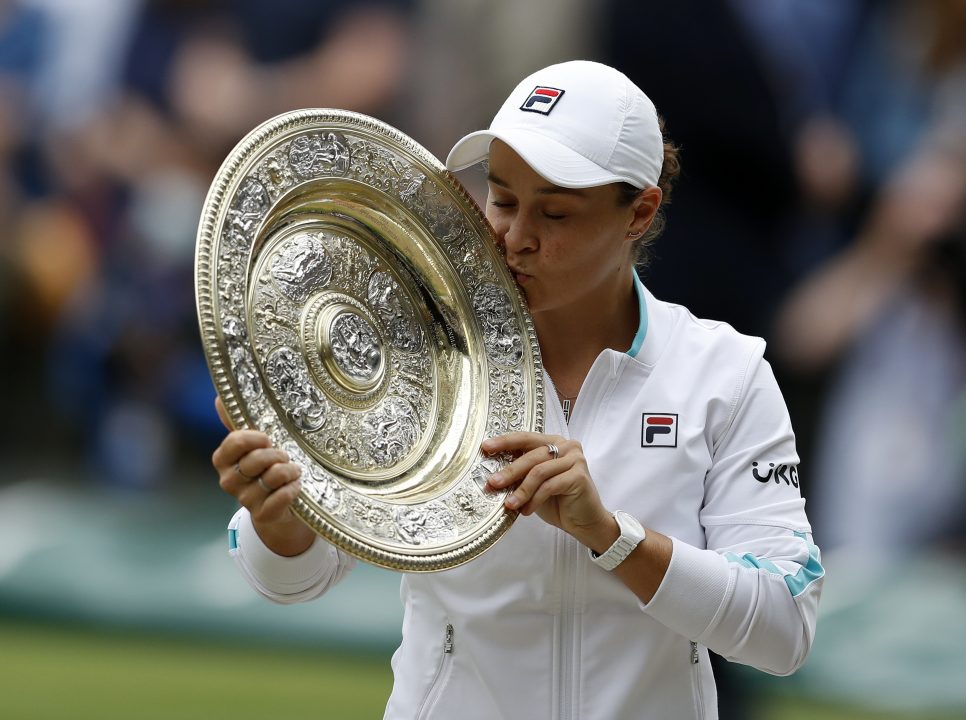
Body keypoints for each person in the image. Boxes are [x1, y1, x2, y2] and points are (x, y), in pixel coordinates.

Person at [211, 60, 824, 719]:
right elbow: (290, 581)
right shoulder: (415, 355)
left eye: (554, 213)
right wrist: (279, 520)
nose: (514, 237)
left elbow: (784, 629)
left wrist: (612, 536)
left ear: (639, 213)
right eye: (502, 199)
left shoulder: (723, 372)